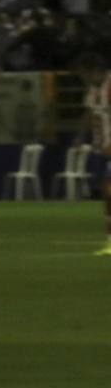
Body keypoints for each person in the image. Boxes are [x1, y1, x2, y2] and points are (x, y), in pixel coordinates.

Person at [76, 54, 111, 256]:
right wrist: (80, 136)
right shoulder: (93, 90)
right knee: (106, 197)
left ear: (97, 71)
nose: (86, 78)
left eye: (86, 74)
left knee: (108, 193)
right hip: (101, 148)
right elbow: (90, 113)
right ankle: (109, 242)